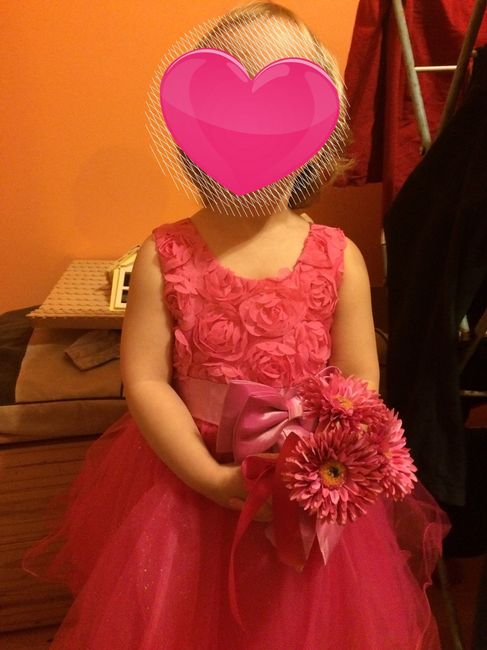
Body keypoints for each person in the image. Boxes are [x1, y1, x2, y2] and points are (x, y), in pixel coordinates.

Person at [22, 3, 450, 648]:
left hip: (308, 483)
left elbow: (361, 380)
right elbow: (145, 380)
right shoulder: (164, 253)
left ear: (315, 137)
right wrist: (207, 475)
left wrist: (325, 454)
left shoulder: (339, 257)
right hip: (189, 488)